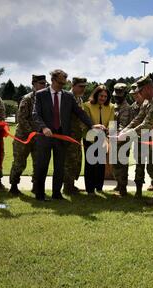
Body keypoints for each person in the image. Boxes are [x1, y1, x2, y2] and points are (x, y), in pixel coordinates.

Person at [32, 69, 104, 201]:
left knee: (59, 167)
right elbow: (36, 114)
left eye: (64, 83)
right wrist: (43, 128)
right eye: (60, 83)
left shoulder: (68, 96)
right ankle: (40, 195)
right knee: (42, 166)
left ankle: (56, 194)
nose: (62, 86)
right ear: (53, 80)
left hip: (62, 136)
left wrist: (92, 125)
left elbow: (80, 113)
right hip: (45, 136)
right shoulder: (41, 94)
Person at [119, 75, 153, 205]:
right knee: (152, 167)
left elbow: (146, 125)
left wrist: (126, 134)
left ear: (149, 88)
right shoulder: (147, 102)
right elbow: (138, 118)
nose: (138, 93)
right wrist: (124, 130)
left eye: (140, 90)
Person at [9, 74, 47, 195]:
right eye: (41, 83)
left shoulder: (45, 99)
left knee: (38, 163)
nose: (44, 85)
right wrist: (32, 132)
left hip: (39, 137)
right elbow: (21, 118)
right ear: (34, 84)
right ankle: (14, 186)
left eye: (45, 83)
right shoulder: (27, 99)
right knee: (19, 162)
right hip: (23, 137)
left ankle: (36, 186)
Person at [83, 85, 114, 194]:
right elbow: (85, 121)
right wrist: (95, 126)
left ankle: (99, 187)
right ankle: (90, 189)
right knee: (90, 164)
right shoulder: (86, 105)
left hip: (102, 138)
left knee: (101, 164)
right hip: (90, 137)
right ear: (96, 95)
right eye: (101, 96)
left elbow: (111, 122)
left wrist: (109, 130)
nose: (103, 98)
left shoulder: (111, 107)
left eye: (105, 96)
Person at [63, 77, 87, 195]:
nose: (83, 89)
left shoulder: (79, 99)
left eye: (84, 86)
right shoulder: (67, 97)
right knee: (69, 161)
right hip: (69, 136)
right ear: (73, 85)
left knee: (75, 161)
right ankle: (67, 187)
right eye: (81, 86)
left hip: (77, 136)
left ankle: (71, 185)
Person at [112, 82, 135, 197]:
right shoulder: (115, 106)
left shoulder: (126, 108)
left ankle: (123, 189)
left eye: (119, 96)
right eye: (115, 96)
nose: (117, 98)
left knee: (121, 164)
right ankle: (119, 184)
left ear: (124, 95)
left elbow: (123, 126)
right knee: (115, 163)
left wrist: (115, 135)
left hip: (122, 140)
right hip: (115, 139)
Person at [128, 83, 148, 197]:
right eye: (133, 95)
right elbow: (132, 122)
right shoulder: (132, 107)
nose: (135, 97)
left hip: (151, 140)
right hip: (139, 141)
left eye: (137, 94)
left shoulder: (149, 105)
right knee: (139, 165)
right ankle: (139, 189)